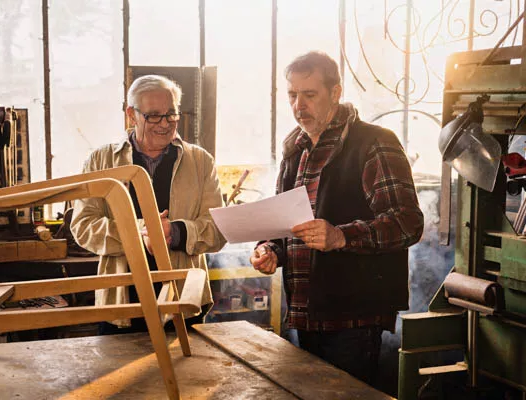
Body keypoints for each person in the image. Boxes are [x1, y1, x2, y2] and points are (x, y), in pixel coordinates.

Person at [250, 51, 424, 385]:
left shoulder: (375, 143)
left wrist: (342, 236)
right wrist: (271, 249)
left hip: (354, 318)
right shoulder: (294, 150)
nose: (299, 106)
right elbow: (286, 226)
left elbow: (408, 223)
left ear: (336, 92)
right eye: (292, 95)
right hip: (304, 313)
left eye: (310, 95)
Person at [70, 74, 227, 333]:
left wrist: (174, 233)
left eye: (171, 115)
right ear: (131, 115)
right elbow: (84, 227)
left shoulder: (201, 162)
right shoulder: (101, 160)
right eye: (154, 116)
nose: (165, 124)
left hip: (183, 302)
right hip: (121, 305)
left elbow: (217, 230)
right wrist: (143, 232)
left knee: (188, 372)